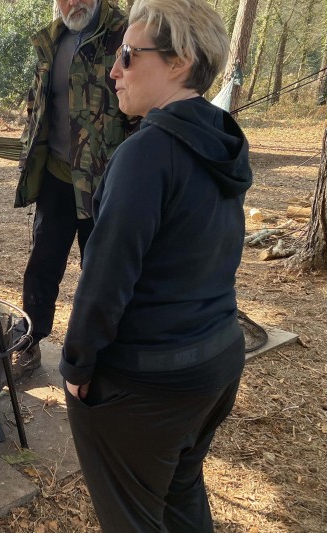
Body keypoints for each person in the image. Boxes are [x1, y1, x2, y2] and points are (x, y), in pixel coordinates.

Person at [60, 0, 252, 530]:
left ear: (179, 62)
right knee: (180, 496)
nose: (114, 70)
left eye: (128, 55)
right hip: (215, 363)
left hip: (150, 382)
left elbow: (107, 273)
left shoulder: (148, 153)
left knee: (133, 517)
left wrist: (77, 366)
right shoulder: (221, 139)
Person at [12, 0, 133, 379]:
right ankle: (29, 341)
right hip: (57, 176)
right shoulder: (54, 37)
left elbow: (142, 111)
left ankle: (101, 353)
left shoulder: (127, 34)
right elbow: (41, 102)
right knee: (43, 264)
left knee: (101, 271)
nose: (73, 2)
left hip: (105, 181)